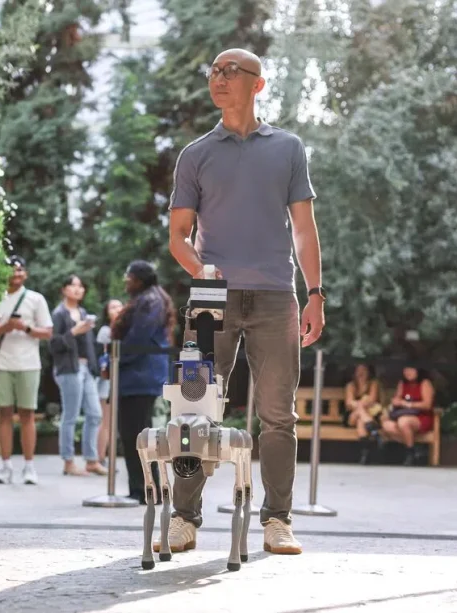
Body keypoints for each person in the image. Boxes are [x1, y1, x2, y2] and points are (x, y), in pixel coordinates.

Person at [161, 48, 324, 556]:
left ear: (258, 84)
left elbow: (303, 228)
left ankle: (278, 521)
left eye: (231, 71)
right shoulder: (196, 154)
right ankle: (184, 518)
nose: (219, 79)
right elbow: (178, 237)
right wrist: (199, 270)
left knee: (279, 416)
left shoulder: (289, 148)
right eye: (213, 71)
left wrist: (315, 294)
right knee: (193, 410)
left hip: (278, 296)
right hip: (211, 299)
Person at [0, 256, 53, 485]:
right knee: (4, 415)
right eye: (12, 270)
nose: (16, 274)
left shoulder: (35, 299)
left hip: (29, 363)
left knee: (28, 414)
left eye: (20, 270)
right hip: (2, 363)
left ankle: (29, 466)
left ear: (25, 274)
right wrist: (5, 327)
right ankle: (6, 465)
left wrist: (26, 327)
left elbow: (47, 332)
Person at [112, 261, 174, 503]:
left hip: (140, 375)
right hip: (139, 375)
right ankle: (146, 489)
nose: (126, 281)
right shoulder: (151, 298)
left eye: (128, 277)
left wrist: (115, 360)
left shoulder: (150, 301)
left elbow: (139, 338)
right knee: (137, 434)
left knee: (135, 434)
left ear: (139, 279)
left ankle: (145, 490)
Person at [49, 274, 107, 477]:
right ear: (64, 289)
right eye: (73, 285)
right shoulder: (58, 314)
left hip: (86, 370)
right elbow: (53, 344)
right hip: (68, 369)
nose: (78, 289)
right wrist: (74, 331)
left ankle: (91, 460)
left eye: (81, 286)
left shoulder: (83, 313)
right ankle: (68, 461)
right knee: (70, 415)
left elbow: (89, 345)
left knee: (95, 414)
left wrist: (95, 366)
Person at [380, 365, 435, 466]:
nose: (407, 372)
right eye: (406, 369)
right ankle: (414, 449)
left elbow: (427, 405)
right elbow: (397, 400)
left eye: (411, 369)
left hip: (421, 416)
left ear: (418, 370)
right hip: (403, 414)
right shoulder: (402, 384)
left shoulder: (425, 383)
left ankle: (409, 454)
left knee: (403, 421)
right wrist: (394, 403)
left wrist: (406, 404)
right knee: (387, 425)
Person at [95, 299, 124, 467]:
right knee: (106, 419)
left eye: (120, 306)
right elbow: (104, 357)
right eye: (113, 307)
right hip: (107, 379)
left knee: (112, 421)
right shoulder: (106, 331)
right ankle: (100, 457)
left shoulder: (123, 329)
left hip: (119, 378)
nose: (117, 309)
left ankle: (107, 456)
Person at [343, 363, 382, 464]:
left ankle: (364, 453)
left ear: (368, 372)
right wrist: (362, 403)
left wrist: (358, 404)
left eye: (363, 370)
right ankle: (372, 427)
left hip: (369, 414)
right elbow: (349, 403)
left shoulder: (373, 384)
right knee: (360, 413)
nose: (361, 373)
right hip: (352, 417)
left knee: (361, 421)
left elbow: (372, 400)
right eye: (358, 370)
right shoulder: (350, 385)